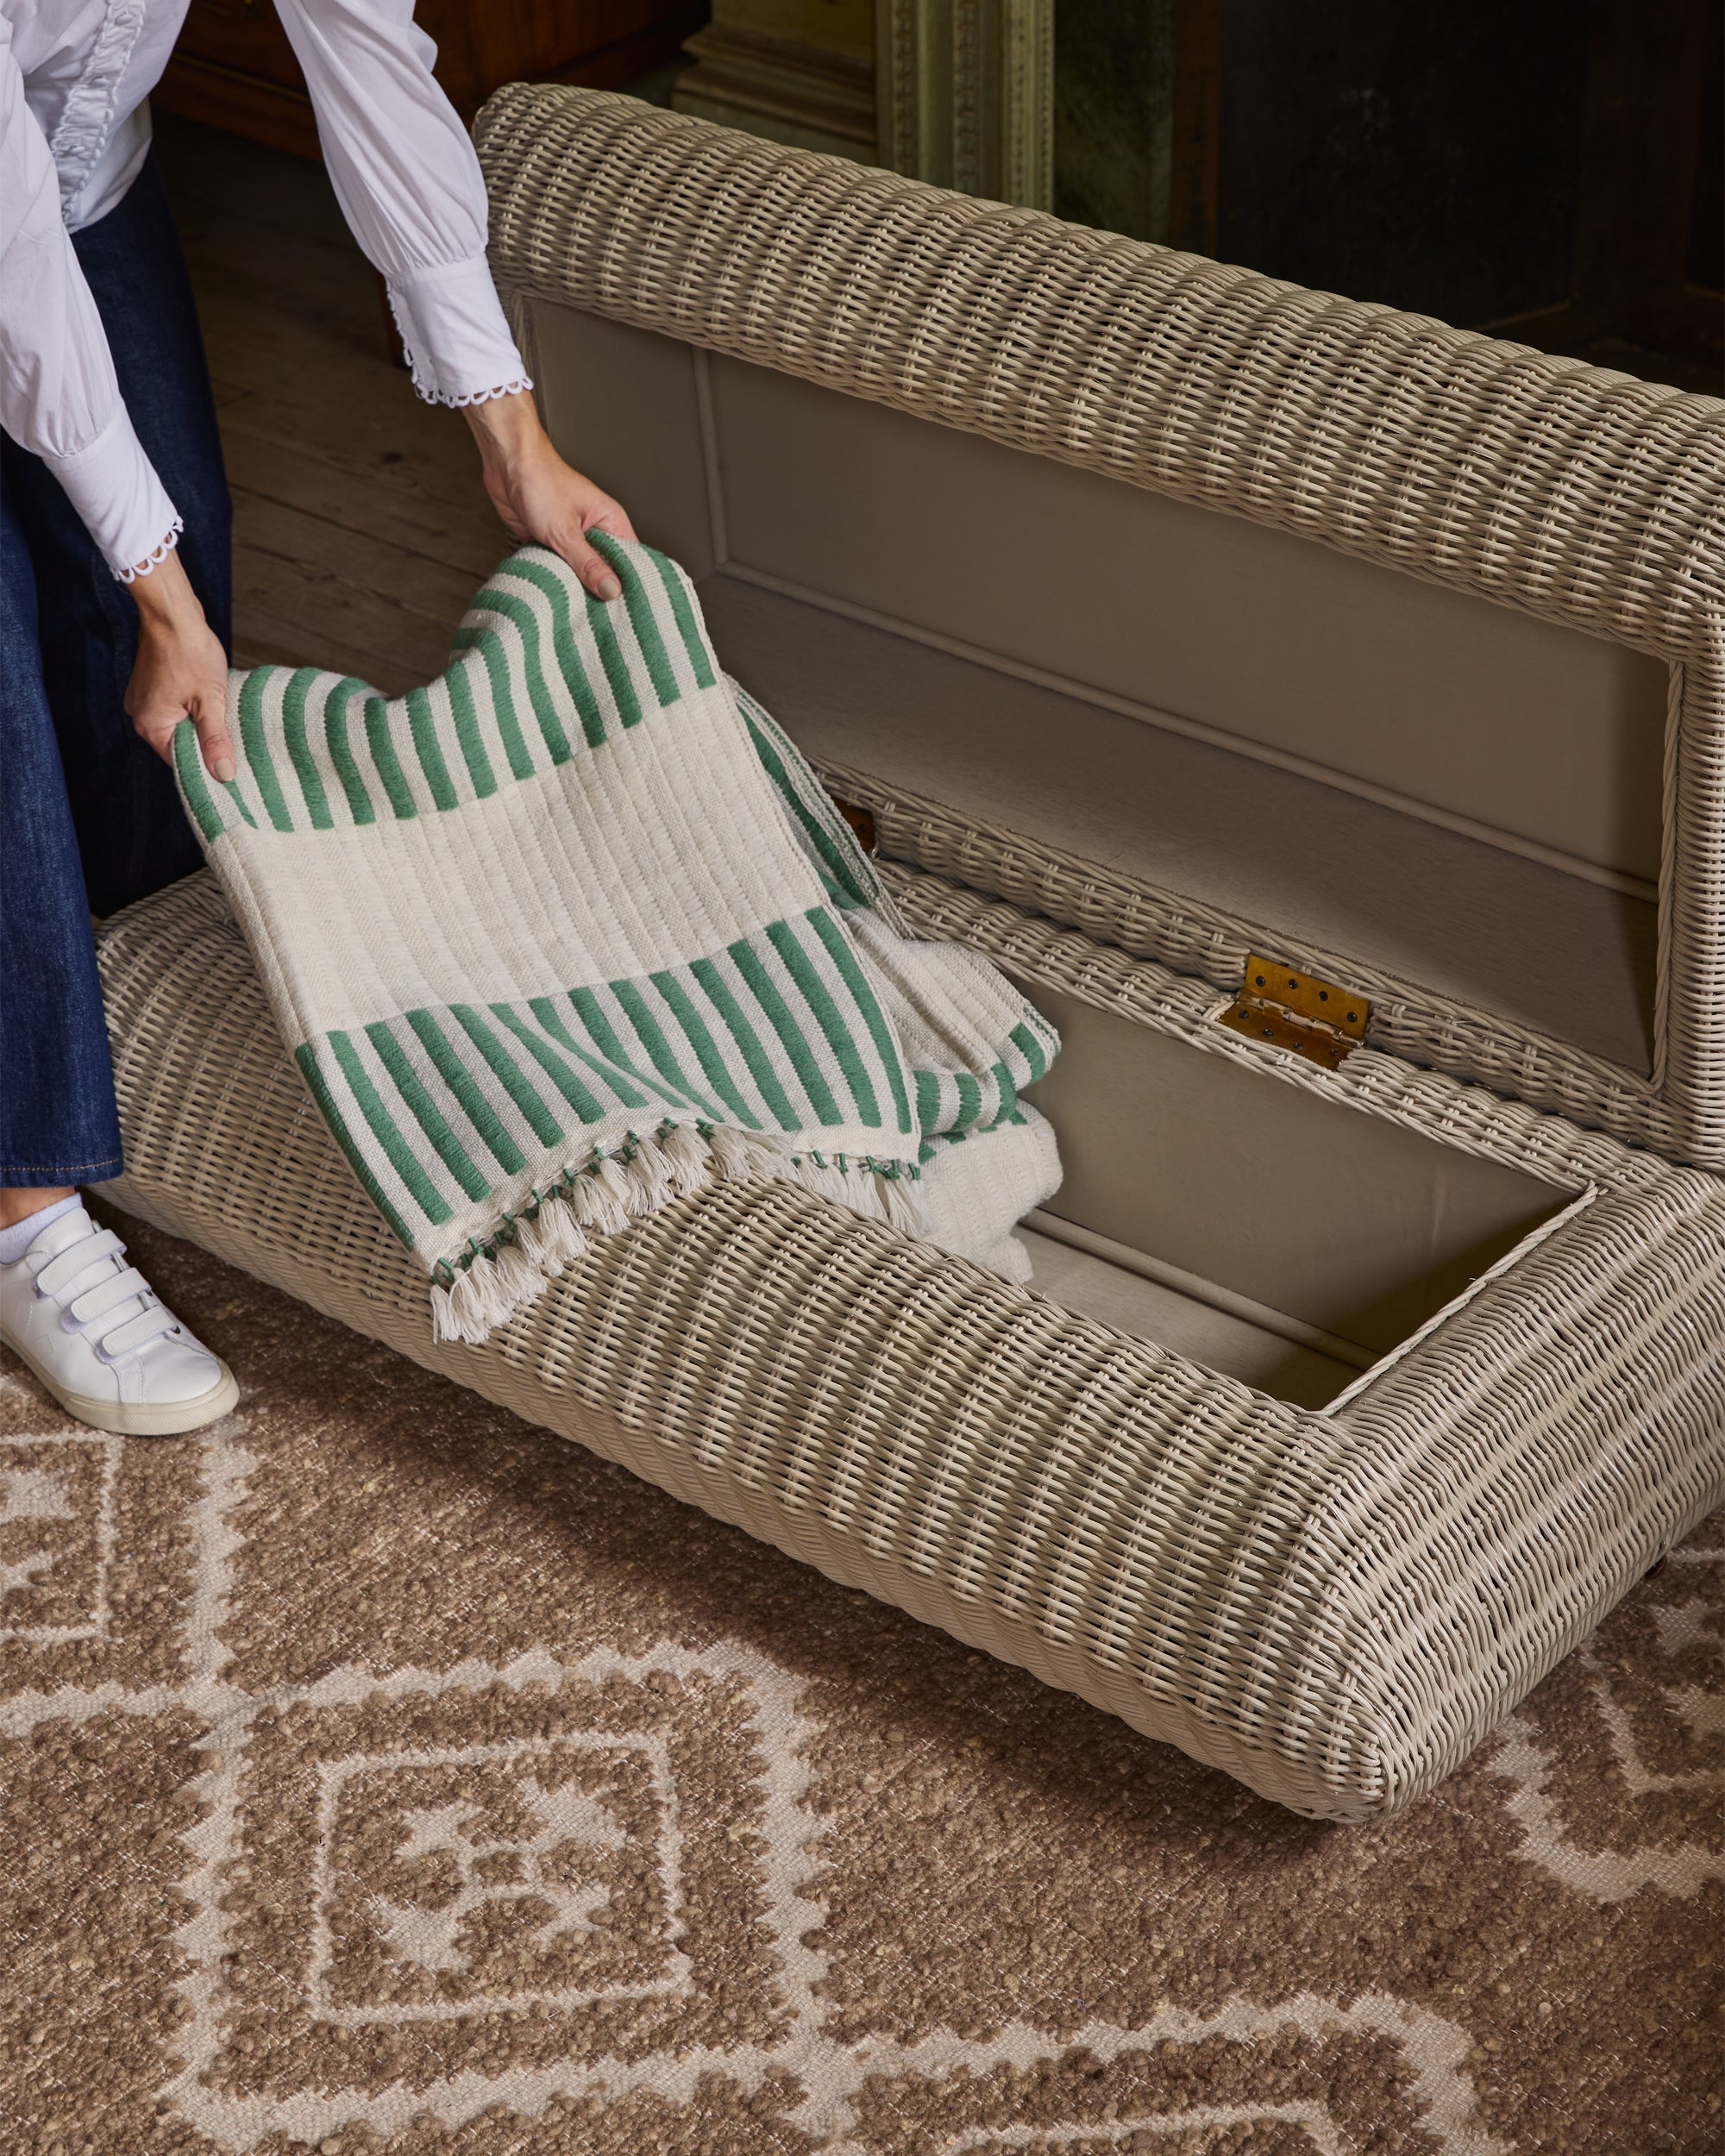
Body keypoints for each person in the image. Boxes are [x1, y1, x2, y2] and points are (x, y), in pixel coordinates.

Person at [0, 0, 635, 1436]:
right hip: (4, 226)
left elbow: (368, 54)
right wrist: (164, 605)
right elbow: (10, 272)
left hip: (79, 177)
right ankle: (23, 1201)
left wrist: (510, 432)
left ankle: (129, 1007)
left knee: (174, 560)